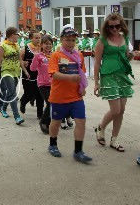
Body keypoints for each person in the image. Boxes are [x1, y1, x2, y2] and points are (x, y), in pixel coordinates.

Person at [47, 25, 92, 164]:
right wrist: (70, 78)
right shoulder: (56, 55)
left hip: (76, 97)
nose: (70, 43)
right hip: (59, 97)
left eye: (73, 40)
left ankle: (78, 151)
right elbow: (54, 74)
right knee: (55, 123)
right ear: (61, 40)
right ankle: (52, 144)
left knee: (81, 122)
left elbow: (81, 73)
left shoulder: (78, 55)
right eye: (67, 40)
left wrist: (82, 87)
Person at [94, 13, 134, 153]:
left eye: (117, 26)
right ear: (107, 27)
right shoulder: (102, 41)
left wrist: (129, 56)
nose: (115, 29)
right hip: (108, 76)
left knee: (121, 110)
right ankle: (101, 127)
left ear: (121, 25)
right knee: (116, 110)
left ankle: (114, 140)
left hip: (122, 75)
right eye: (111, 27)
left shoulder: (124, 38)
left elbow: (125, 57)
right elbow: (97, 62)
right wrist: (96, 82)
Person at [0, 27, 26, 125]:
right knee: (13, 94)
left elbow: (20, 60)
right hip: (6, 72)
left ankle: (3, 107)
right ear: (11, 35)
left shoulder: (16, 45)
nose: (18, 36)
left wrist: (25, 71)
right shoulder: (3, 46)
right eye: (17, 34)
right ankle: (17, 117)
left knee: (10, 93)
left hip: (16, 72)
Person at [30, 35, 53, 134]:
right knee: (50, 102)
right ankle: (43, 121)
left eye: (50, 44)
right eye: (46, 44)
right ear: (42, 45)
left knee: (54, 103)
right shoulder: (38, 56)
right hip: (43, 84)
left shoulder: (54, 55)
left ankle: (48, 122)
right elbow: (32, 69)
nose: (48, 46)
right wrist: (36, 59)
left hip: (54, 84)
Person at [19, 30, 44, 119]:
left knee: (39, 95)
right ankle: (23, 102)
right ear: (31, 38)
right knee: (29, 93)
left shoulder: (42, 48)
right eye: (36, 38)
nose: (38, 40)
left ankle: (40, 115)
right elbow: (20, 60)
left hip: (40, 75)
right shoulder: (25, 48)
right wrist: (24, 66)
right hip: (28, 74)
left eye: (39, 38)